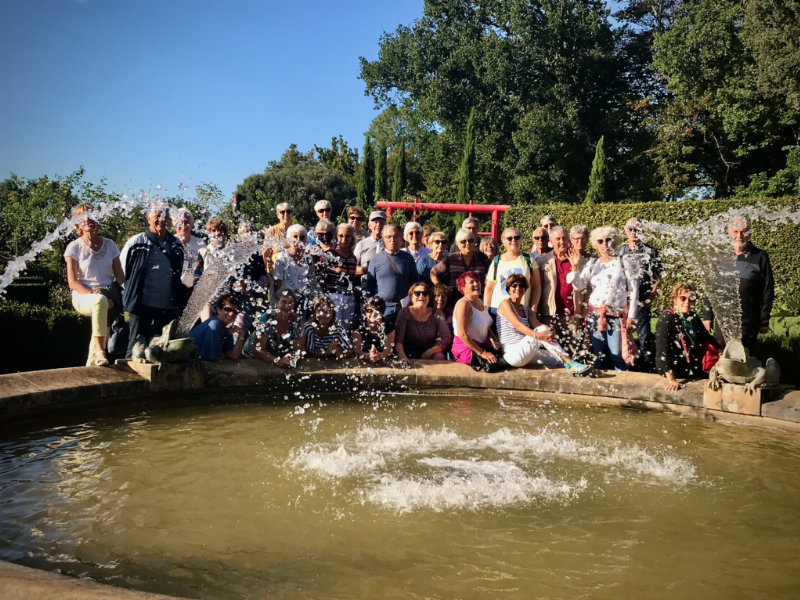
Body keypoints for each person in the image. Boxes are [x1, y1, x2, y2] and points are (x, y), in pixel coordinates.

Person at [120, 205, 185, 359]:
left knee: (164, 352)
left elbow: (178, 274)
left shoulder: (177, 245)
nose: (161, 219)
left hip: (167, 306)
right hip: (140, 305)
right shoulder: (136, 243)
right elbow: (122, 274)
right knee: (135, 348)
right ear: (148, 218)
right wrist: (131, 294)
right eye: (157, 215)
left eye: (165, 215)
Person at [571, 227, 640, 371]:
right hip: (595, 315)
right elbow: (579, 286)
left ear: (613, 241)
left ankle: (623, 382)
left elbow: (634, 289)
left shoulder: (624, 261)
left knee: (617, 354)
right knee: (599, 355)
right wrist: (575, 269)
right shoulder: (593, 263)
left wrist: (631, 316)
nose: (604, 243)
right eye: (600, 241)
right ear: (595, 244)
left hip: (616, 315)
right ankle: (601, 383)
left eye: (608, 239)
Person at [64, 203, 125, 367]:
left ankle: (92, 367)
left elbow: (120, 276)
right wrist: (93, 294)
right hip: (83, 296)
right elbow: (72, 283)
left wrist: (111, 292)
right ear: (77, 224)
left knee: (102, 307)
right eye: (82, 217)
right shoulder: (74, 247)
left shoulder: (110, 244)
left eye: (91, 215)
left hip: (108, 296)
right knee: (99, 301)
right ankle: (100, 351)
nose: (87, 219)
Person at [702, 216, 774, 355]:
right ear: (728, 233)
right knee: (723, 358)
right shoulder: (719, 257)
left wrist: (764, 320)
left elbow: (768, 290)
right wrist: (707, 316)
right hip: (724, 321)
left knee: (746, 359)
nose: (739, 236)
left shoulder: (760, 257)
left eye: (743, 231)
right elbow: (711, 288)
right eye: (735, 232)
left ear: (749, 234)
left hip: (749, 321)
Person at [497, 274, 590, 375]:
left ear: (525, 289)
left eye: (521, 285)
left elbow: (539, 326)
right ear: (508, 289)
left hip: (526, 351)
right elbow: (518, 325)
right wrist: (540, 335)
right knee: (542, 331)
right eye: (514, 285)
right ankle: (570, 364)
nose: (518, 288)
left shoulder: (526, 309)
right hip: (512, 353)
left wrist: (550, 332)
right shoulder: (505, 304)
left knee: (558, 360)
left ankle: (573, 366)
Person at [618, 218, 664, 370]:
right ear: (625, 231)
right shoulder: (620, 252)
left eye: (637, 229)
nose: (633, 232)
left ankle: (648, 368)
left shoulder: (650, 252)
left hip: (642, 302)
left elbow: (658, 277)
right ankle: (627, 366)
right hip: (624, 303)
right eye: (630, 229)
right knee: (624, 338)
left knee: (644, 338)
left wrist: (650, 298)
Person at [657, 283, 721, 391]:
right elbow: (662, 352)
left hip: (689, 365)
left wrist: (720, 354)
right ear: (675, 299)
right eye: (683, 298)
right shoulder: (667, 318)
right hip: (672, 368)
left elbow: (707, 337)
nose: (687, 302)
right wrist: (672, 380)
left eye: (691, 299)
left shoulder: (693, 317)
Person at [536, 226, 589, 356]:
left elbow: (587, 289)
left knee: (574, 351)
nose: (561, 242)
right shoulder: (543, 260)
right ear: (551, 241)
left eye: (564, 238)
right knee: (553, 351)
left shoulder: (580, 260)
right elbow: (538, 287)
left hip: (573, 315)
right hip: (550, 314)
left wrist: (585, 310)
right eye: (558, 239)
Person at [452, 271, 508, 372]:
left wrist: (493, 338)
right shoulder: (464, 305)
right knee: (501, 362)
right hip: (469, 350)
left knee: (509, 356)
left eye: (477, 281)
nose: (476, 284)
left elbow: (485, 326)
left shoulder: (480, 302)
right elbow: (462, 334)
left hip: (482, 346)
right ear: (463, 288)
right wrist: (482, 353)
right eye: (471, 282)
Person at [364, 223, 419, 316]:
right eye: (389, 237)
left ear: (401, 238)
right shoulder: (375, 259)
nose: (392, 240)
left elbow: (415, 283)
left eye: (395, 236)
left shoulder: (408, 258)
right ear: (383, 239)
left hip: (403, 307)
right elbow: (370, 286)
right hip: (381, 308)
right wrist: (370, 308)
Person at [484, 227, 541, 316]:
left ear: (520, 240)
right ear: (503, 242)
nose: (513, 240)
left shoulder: (528, 260)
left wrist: (533, 308)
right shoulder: (496, 261)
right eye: (509, 238)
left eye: (517, 237)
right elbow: (489, 288)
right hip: (498, 310)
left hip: (521, 309)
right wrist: (486, 308)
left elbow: (536, 286)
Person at [395, 282, 452, 365]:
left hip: (429, 352)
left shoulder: (437, 313)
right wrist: (402, 356)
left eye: (425, 293)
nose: (421, 296)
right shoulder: (404, 313)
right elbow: (398, 339)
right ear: (411, 297)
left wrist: (430, 351)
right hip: (408, 352)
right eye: (417, 293)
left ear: (429, 297)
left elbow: (446, 338)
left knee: (439, 356)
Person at [431, 228, 489, 306]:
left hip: (477, 300)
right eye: (463, 241)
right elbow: (433, 272)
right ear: (457, 244)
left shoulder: (482, 258)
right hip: (455, 300)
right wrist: (441, 288)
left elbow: (492, 276)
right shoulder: (451, 259)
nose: (467, 244)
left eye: (471, 240)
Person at [317, 223, 359, 331]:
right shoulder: (329, 254)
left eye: (347, 236)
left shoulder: (353, 259)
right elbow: (321, 277)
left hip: (349, 297)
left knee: (346, 330)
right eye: (341, 236)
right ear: (336, 237)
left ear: (352, 238)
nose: (344, 239)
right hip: (333, 297)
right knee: (334, 329)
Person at [246, 289, 303, 368]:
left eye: (290, 302)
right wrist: (278, 361)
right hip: (252, 359)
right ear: (276, 303)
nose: (287, 306)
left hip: (278, 358)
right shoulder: (267, 318)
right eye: (284, 302)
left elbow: (300, 351)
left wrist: (292, 359)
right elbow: (258, 350)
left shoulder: (296, 320)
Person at [189, 294, 246, 361]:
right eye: (228, 309)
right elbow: (215, 358)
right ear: (218, 310)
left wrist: (241, 335)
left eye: (235, 311)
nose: (231, 314)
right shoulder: (214, 324)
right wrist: (224, 356)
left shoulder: (225, 329)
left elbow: (233, 356)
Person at [351, 297, 396, 363]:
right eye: (369, 311)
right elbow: (356, 350)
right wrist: (370, 356)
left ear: (382, 313)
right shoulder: (358, 326)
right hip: (362, 361)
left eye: (377, 311)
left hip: (383, 361)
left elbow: (388, 351)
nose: (374, 314)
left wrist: (379, 356)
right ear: (365, 312)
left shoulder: (389, 326)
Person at [172, 210, 206, 292]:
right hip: (173, 290)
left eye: (187, 222)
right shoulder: (169, 243)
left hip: (194, 290)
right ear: (174, 224)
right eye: (181, 222)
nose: (183, 225)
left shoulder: (200, 244)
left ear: (191, 225)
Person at [354, 210, 387, 277]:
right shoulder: (361, 244)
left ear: (386, 225)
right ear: (369, 225)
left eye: (381, 222)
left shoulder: (389, 244)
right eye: (375, 222)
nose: (378, 225)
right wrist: (366, 269)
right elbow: (353, 267)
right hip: (366, 281)